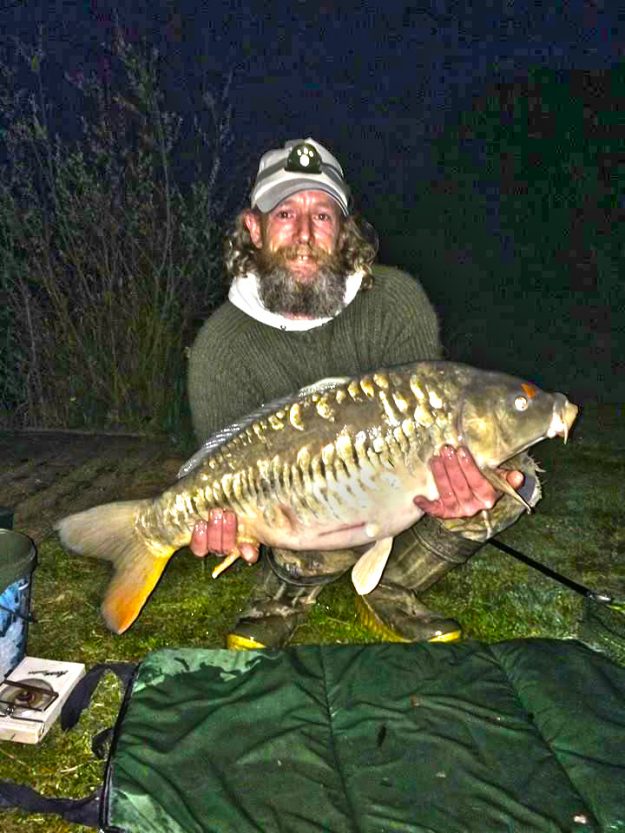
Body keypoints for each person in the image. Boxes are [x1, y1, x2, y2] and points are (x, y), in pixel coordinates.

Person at [187, 138, 540, 650]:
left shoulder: (397, 301)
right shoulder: (221, 345)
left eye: (323, 216)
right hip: (292, 514)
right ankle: (285, 591)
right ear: (254, 228)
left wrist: (457, 485)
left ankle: (392, 586)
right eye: (285, 212)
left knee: (512, 475)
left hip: (395, 494)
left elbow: (433, 422)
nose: (305, 234)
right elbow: (221, 475)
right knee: (297, 488)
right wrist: (226, 526)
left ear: (344, 230)